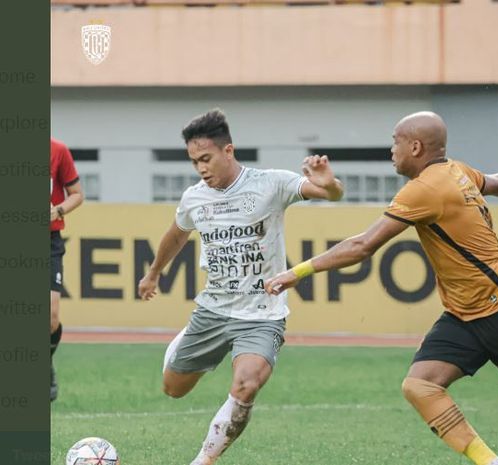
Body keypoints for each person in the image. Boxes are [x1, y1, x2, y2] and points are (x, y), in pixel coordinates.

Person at [266, 111, 498, 465]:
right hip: (465, 314)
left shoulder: (424, 189)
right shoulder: (456, 171)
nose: (391, 149)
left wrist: (295, 273)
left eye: (395, 141)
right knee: (420, 385)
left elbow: (363, 246)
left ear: (415, 147)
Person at [137, 109, 343, 465]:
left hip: (263, 313)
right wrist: (153, 272)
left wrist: (330, 182)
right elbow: (176, 234)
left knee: (246, 384)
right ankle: (188, 339)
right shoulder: (194, 198)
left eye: (206, 158)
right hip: (213, 309)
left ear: (228, 151)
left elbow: (330, 193)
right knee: (174, 389)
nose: (201, 168)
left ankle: (203, 460)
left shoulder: (271, 183)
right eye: (194, 161)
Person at [50, 137, 85, 402]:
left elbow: (77, 195)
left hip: (49, 240)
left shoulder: (58, 150)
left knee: (50, 315)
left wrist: (58, 210)